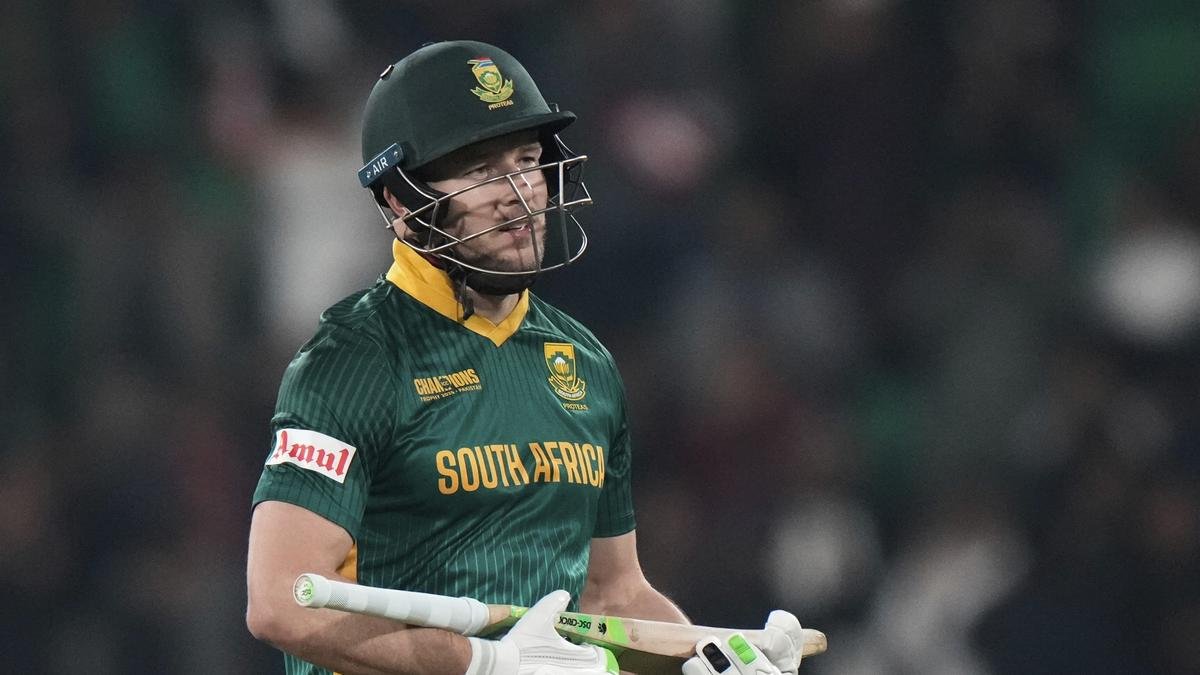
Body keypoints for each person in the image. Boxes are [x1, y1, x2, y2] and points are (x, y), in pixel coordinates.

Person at [245, 40, 805, 674]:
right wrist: (484, 663)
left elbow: (611, 595)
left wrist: (705, 661)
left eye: (528, 160)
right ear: (401, 201)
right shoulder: (352, 360)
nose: (518, 191)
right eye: (480, 169)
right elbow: (280, 603)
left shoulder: (585, 363)